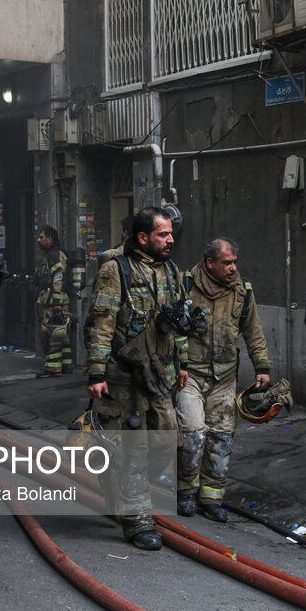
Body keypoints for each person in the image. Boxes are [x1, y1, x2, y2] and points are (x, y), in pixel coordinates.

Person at [85, 207, 187, 551]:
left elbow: (177, 321)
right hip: (123, 376)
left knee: (166, 439)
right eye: (163, 234)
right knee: (134, 446)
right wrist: (97, 372)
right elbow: (102, 322)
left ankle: (116, 485)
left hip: (158, 374)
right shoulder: (117, 271)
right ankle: (137, 519)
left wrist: (182, 363)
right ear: (142, 237)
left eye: (171, 233)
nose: (170, 239)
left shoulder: (171, 271)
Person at [176, 237, 271, 521]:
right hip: (190, 375)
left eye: (234, 262)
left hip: (224, 377)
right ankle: (185, 493)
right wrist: (177, 364)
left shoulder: (242, 291)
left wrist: (262, 367)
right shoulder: (184, 286)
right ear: (210, 263)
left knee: (221, 438)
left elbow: (253, 331)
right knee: (193, 434)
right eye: (227, 263)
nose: (233, 268)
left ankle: (211, 497)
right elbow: (171, 328)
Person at [35, 226, 72, 378]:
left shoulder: (55, 255)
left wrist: (56, 303)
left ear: (49, 239)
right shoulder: (51, 254)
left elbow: (58, 278)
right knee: (62, 334)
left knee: (50, 334)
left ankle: (53, 368)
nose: (38, 240)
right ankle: (66, 365)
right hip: (55, 301)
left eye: (41, 237)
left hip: (55, 303)